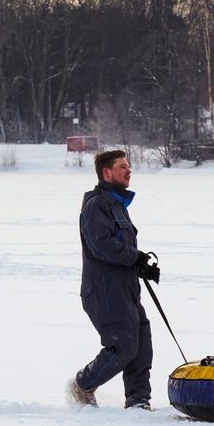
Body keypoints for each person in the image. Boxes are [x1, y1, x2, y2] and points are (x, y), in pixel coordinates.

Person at [68, 150, 161, 410]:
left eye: (129, 166)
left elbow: (117, 249)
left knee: (141, 345)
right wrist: (136, 257)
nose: (129, 170)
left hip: (125, 288)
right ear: (107, 172)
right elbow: (102, 246)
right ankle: (82, 384)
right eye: (123, 167)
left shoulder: (117, 205)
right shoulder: (96, 205)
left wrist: (141, 267)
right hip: (104, 291)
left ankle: (138, 401)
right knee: (123, 347)